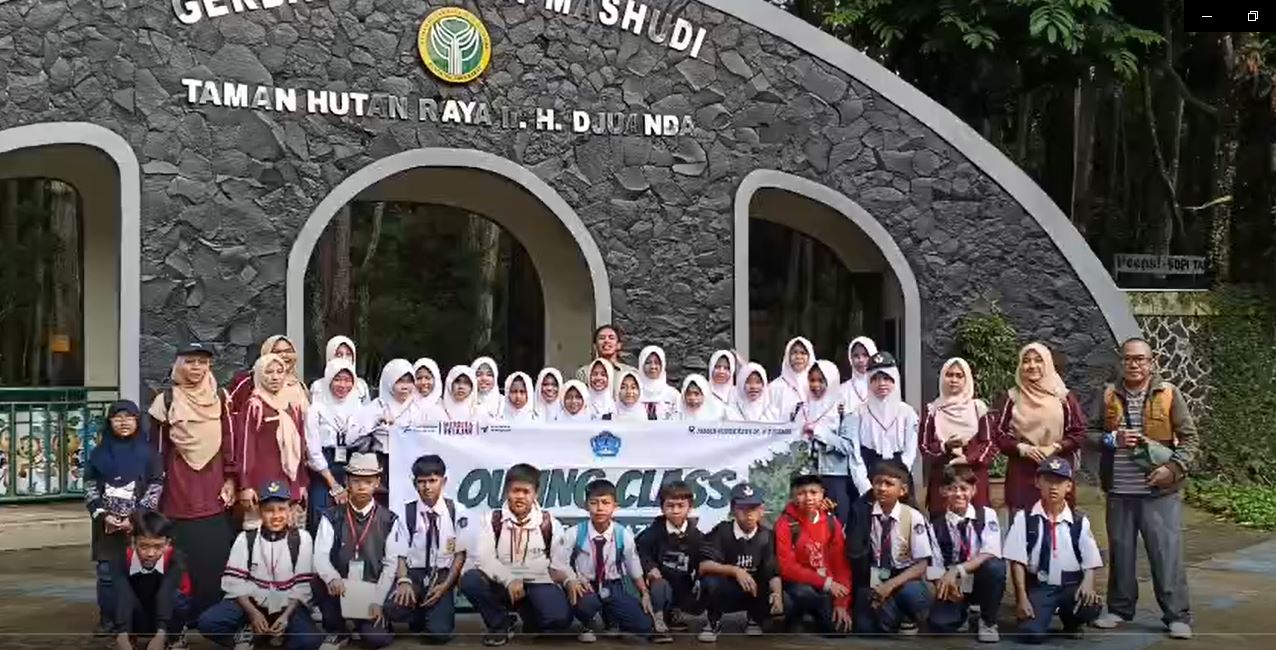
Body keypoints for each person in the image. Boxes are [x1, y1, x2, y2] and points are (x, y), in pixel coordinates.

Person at [1088, 338, 1197, 639]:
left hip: (1159, 492)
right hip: (1119, 490)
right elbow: (1089, 433)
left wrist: (1172, 469)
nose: (1133, 364)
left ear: (1152, 361)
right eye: (1127, 359)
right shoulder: (1107, 394)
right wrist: (1112, 439)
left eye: (1139, 359)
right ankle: (1119, 609)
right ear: (1120, 362)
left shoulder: (1169, 394)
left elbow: (1190, 438)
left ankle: (1177, 615)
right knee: (1121, 553)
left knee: (1166, 554)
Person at [148, 342, 236, 616]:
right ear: (178, 365)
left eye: (202, 362)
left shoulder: (220, 397)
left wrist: (231, 479)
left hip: (213, 490)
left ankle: (210, 614)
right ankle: (179, 615)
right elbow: (156, 450)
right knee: (180, 557)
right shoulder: (165, 400)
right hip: (178, 492)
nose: (196, 367)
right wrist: (155, 493)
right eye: (190, 361)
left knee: (213, 555)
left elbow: (230, 442)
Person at [197, 480, 321, 650]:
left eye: (282, 509)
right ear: (260, 511)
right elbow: (234, 583)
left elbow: (302, 587)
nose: (276, 516)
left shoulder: (302, 539)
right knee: (208, 622)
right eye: (269, 510)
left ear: (289, 510)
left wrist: (285, 617)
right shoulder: (246, 538)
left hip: (287, 604)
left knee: (308, 641)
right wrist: (253, 614)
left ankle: (278, 635)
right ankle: (248, 634)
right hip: (252, 602)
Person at [459, 463, 572, 646]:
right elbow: (484, 559)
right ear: (506, 492)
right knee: (470, 580)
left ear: (536, 494)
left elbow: (559, 564)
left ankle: (530, 615)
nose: (520, 496)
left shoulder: (549, 523)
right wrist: (509, 579)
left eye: (526, 492)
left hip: (536, 583)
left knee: (558, 620)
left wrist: (569, 579)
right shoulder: (490, 520)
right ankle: (499, 624)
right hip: (501, 584)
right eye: (515, 491)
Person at [1003, 458, 1103, 643]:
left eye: (1059, 482)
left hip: (1071, 584)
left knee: (1089, 607)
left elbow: (1090, 559)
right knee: (1030, 634)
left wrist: (1088, 583)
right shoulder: (1025, 518)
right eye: (1048, 481)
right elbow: (1017, 561)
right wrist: (1021, 598)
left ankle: (1073, 623)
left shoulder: (1079, 520)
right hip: (1042, 584)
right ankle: (1041, 615)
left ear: (1069, 486)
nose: (1053, 487)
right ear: (1037, 483)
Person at [87, 399, 164, 634]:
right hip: (107, 527)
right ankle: (108, 621)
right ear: (109, 422)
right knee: (107, 576)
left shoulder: (149, 453)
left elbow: (156, 485)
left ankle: (135, 623)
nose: (124, 422)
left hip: (139, 528)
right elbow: (90, 487)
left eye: (129, 417)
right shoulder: (98, 454)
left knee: (139, 574)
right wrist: (102, 515)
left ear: (137, 421)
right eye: (118, 417)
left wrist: (136, 517)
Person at [312, 453, 402, 650]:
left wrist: (378, 600)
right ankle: (337, 630)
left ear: (377, 482)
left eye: (368, 481)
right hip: (340, 587)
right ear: (347, 481)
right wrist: (332, 578)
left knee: (376, 640)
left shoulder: (389, 520)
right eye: (356, 481)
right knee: (317, 579)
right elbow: (320, 556)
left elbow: (390, 564)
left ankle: (375, 622)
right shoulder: (331, 516)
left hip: (372, 588)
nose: (362, 486)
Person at [556, 479, 654, 643]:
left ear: (615, 506)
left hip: (612, 585)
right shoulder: (574, 533)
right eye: (594, 503)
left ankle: (611, 620)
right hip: (584, 585)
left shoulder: (623, 534)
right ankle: (587, 624)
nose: (600, 508)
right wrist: (571, 579)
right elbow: (558, 564)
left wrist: (644, 593)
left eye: (605, 503)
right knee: (586, 603)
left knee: (643, 625)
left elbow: (634, 568)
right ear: (586, 506)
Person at [386, 454, 470, 644]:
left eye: (432, 480)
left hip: (441, 575)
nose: (427, 487)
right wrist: (404, 581)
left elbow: (460, 555)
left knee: (439, 634)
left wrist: (445, 587)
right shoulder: (406, 512)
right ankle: (417, 613)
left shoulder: (457, 510)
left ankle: (429, 614)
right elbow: (400, 553)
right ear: (414, 483)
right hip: (414, 574)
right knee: (391, 608)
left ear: (443, 481)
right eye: (421, 481)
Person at [994, 343, 1087, 511]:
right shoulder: (1012, 398)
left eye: (1038, 360)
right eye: (1026, 361)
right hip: (1022, 473)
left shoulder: (1063, 397)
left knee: (1056, 522)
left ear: (1048, 363)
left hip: (1057, 470)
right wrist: (1022, 448)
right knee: (1022, 522)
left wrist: (1055, 447)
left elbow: (1079, 432)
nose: (1032, 366)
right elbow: (998, 433)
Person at [846, 459, 932, 635]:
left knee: (914, 594)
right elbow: (855, 552)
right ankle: (889, 615)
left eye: (889, 484)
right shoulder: (863, 512)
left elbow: (922, 564)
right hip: (874, 576)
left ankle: (907, 616)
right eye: (878, 482)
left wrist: (891, 585)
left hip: (903, 577)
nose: (882, 488)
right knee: (865, 629)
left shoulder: (912, 516)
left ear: (903, 490)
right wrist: (876, 587)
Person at [925, 465, 1005, 642]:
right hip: (954, 584)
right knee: (939, 624)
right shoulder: (935, 526)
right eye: (952, 489)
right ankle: (963, 612)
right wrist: (944, 584)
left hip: (980, 579)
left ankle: (988, 620)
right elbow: (935, 566)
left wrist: (957, 570)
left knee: (995, 567)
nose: (958, 494)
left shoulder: (986, 515)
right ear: (942, 491)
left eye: (964, 488)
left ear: (973, 490)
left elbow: (990, 552)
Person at [697, 482, 784, 642]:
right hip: (727, 589)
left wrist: (777, 595)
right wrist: (735, 571)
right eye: (742, 508)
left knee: (777, 591)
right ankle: (713, 621)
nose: (749, 513)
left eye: (753, 508)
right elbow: (703, 566)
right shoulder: (722, 530)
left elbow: (773, 571)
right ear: (733, 509)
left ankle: (754, 617)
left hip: (754, 590)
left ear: (762, 510)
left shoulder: (767, 535)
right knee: (710, 581)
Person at [235, 353, 309, 528]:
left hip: (289, 481)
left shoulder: (292, 406)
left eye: (279, 371)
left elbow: (299, 448)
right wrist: (245, 485)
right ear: (259, 374)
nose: (275, 377)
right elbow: (245, 447)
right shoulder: (255, 405)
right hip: (261, 481)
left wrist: (301, 483)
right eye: (269, 372)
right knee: (259, 532)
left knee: (290, 533)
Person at [775, 475, 852, 636]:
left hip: (825, 586)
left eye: (813, 492)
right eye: (801, 493)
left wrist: (841, 603)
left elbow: (841, 565)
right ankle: (796, 617)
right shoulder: (785, 524)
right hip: (798, 585)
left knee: (837, 631)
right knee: (803, 594)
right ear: (794, 496)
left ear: (822, 494)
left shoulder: (832, 523)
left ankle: (818, 615)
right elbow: (786, 567)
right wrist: (826, 583)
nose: (808, 498)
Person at [920, 358, 995, 516]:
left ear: (967, 379)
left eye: (959, 376)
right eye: (949, 375)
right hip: (943, 480)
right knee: (942, 527)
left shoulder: (978, 408)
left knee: (976, 524)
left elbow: (989, 444)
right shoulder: (933, 410)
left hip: (974, 480)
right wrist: (945, 447)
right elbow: (924, 446)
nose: (953, 380)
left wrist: (968, 459)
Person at [109, 511, 193, 650]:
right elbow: (123, 594)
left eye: (158, 546)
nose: (150, 553)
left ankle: (174, 637)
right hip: (137, 611)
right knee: (111, 594)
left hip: (166, 611)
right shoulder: (121, 558)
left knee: (177, 598)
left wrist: (161, 635)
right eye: (144, 546)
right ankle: (127, 635)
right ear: (133, 542)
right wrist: (122, 633)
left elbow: (165, 592)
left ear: (167, 543)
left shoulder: (176, 559)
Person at [635, 481, 704, 643]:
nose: (675, 510)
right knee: (659, 584)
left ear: (690, 507)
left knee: (708, 584)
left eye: (681, 506)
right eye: (670, 506)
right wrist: (650, 567)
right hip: (659, 585)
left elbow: (703, 560)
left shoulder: (698, 537)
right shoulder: (651, 533)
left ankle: (674, 614)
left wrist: (700, 577)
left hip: (684, 585)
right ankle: (657, 621)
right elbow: (639, 552)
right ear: (662, 507)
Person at [844, 352, 919, 501]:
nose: (881, 383)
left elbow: (910, 451)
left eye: (886, 378)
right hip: (869, 471)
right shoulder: (858, 413)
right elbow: (855, 454)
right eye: (876, 379)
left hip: (899, 472)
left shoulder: (907, 412)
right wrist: (864, 485)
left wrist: (898, 480)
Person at [304, 359, 360, 535]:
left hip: (351, 469)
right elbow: (312, 449)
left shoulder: (358, 407)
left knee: (349, 523)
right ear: (328, 379)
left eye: (347, 380)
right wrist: (334, 485)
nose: (343, 385)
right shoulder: (316, 409)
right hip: (323, 471)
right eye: (338, 379)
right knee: (321, 519)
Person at [357, 360, 427, 498]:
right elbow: (354, 436)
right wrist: (377, 421)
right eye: (399, 381)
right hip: (381, 463)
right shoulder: (377, 406)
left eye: (409, 381)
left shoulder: (419, 408)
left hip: (409, 463)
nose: (405, 386)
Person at [796, 360, 852, 525]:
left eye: (821, 381)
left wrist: (820, 433)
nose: (816, 385)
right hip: (807, 475)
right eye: (812, 380)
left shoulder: (843, 409)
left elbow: (848, 446)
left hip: (834, 475)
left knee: (835, 525)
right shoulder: (801, 408)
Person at [229, 336, 308, 418]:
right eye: (277, 352)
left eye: (288, 351)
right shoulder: (248, 381)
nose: (284, 355)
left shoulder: (299, 385)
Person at [308, 336, 371, 406]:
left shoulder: (361, 387)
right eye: (339, 355)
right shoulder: (317, 387)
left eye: (348, 354)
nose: (344, 358)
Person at [769, 337, 815, 421]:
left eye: (803, 353)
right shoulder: (775, 387)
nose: (798, 357)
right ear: (787, 356)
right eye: (794, 353)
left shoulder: (816, 385)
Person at [637, 346, 678, 420]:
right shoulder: (632, 394)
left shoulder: (673, 395)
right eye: (648, 363)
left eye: (657, 363)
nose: (653, 367)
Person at [839, 337, 878, 411]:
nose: (861, 360)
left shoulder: (882, 386)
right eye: (856, 356)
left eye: (865, 355)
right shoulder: (843, 390)